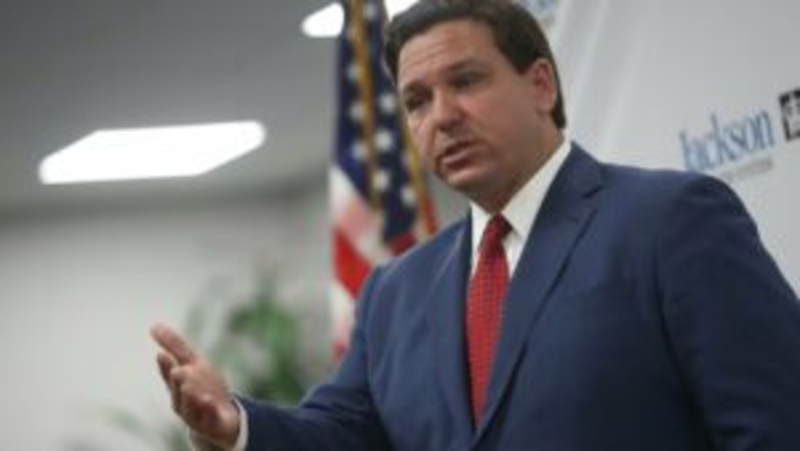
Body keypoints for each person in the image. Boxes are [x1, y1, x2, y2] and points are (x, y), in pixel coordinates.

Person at [151, 0, 800, 450]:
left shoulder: (671, 220)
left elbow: (774, 425)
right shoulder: (395, 290)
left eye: (465, 81)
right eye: (417, 101)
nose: (442, 116)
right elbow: (345, 433)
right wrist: (234, 422)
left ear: (541, 85)